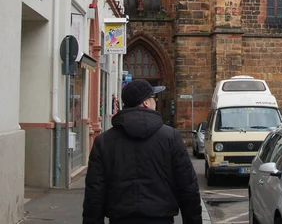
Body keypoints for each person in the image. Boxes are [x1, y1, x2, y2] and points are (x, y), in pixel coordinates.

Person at [83, 79, 202, 224]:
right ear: (146, 102)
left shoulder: (104, 141)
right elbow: (187, 187)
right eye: (153, 98)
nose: (155, 102)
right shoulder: (171, 137)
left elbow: (94, 193)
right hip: (161, 219)